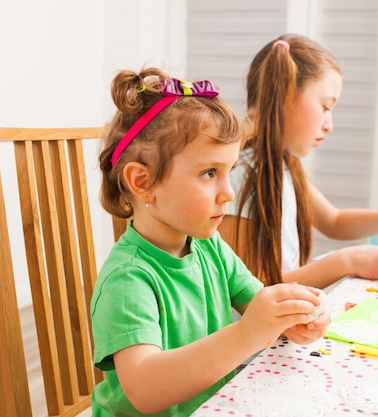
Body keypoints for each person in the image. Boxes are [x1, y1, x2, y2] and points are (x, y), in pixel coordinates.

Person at [92, 67, 330, 417]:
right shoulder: (128, 278)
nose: (228, 193)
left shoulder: (209, 246)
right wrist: (247, 334)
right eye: (209, 173)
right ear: (143, 182)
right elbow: (144, 389)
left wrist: (291, 316)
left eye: (228, 171)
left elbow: (257, 302)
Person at [218, 33, 378, 289]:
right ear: (285, 94)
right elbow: (250, 291)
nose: (329, 125)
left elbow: (334, 221)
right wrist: (346, 261)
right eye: (325, 107)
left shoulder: (280, 165)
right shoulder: (240, 177)